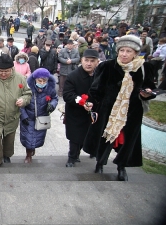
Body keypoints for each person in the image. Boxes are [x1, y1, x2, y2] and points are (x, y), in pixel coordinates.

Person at [83, 35, 157, 181]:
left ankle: (121, 167)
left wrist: (146, 94)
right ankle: (100, 162)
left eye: (128, 51)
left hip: (132, 113)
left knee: (127, 141)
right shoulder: (107, 66)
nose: (124, 54)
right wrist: (92, 102)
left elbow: (150, 87)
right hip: (107, 111)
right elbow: (96, 88)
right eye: (122, 50)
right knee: (104, 138)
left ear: (135, 53)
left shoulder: (144, 68)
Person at [63, 49, 99, 167]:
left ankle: (83, 153)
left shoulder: (99, 76)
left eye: (92, 61)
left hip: (92, 113)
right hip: (75, 113)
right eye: (86, 60)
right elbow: (67, 95)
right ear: (81, 60)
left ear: (97, 62)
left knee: (87, 136)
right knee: (75, 137)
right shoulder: (73, 76)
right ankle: (72, 157)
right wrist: (82, 102)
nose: (89, 63)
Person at [20, 68, 58, 163]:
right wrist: (23, 115)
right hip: (29, 117)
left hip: (41, 118)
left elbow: (55, 98)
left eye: (44, 80)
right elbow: (21, 102)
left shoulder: (50, 89)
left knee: (37, 137)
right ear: (34, 80)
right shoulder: (28, 88)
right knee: (28, 138)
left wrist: (52, 105)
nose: (41, 83)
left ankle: (32, 149)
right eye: (39, 80)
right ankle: (28, 155)